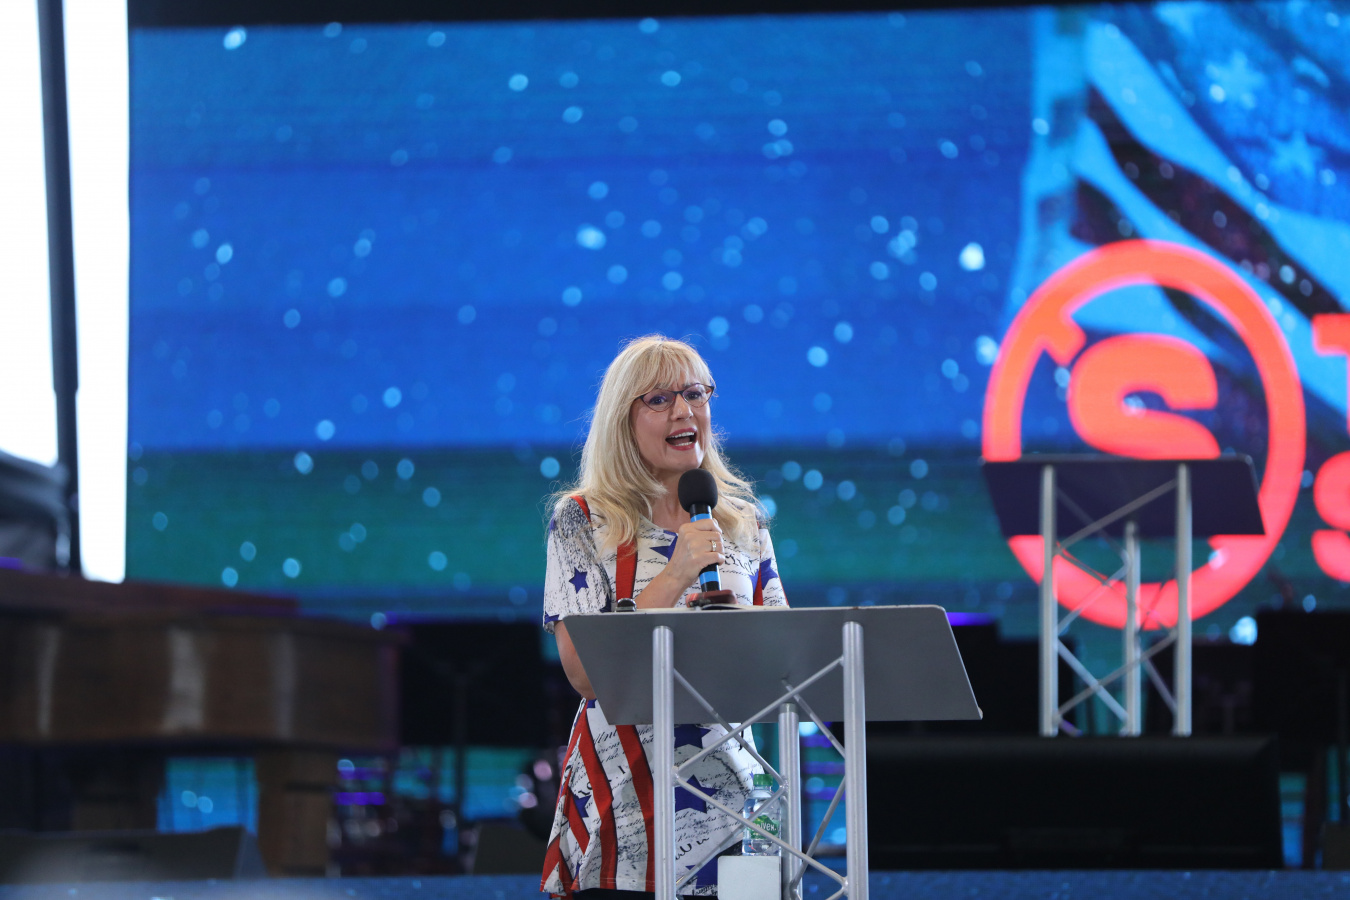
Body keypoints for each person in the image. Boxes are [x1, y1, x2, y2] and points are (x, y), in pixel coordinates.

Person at [540, 335, 787, 898]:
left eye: (696, 394)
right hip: (626, 802)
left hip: (733, 804)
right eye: (659, 399)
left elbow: (789, 669)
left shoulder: (744, 523)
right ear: (622, 420)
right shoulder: (582, 519)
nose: (684, 410)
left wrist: (739, 625)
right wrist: (676, 573)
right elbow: (585, 674)